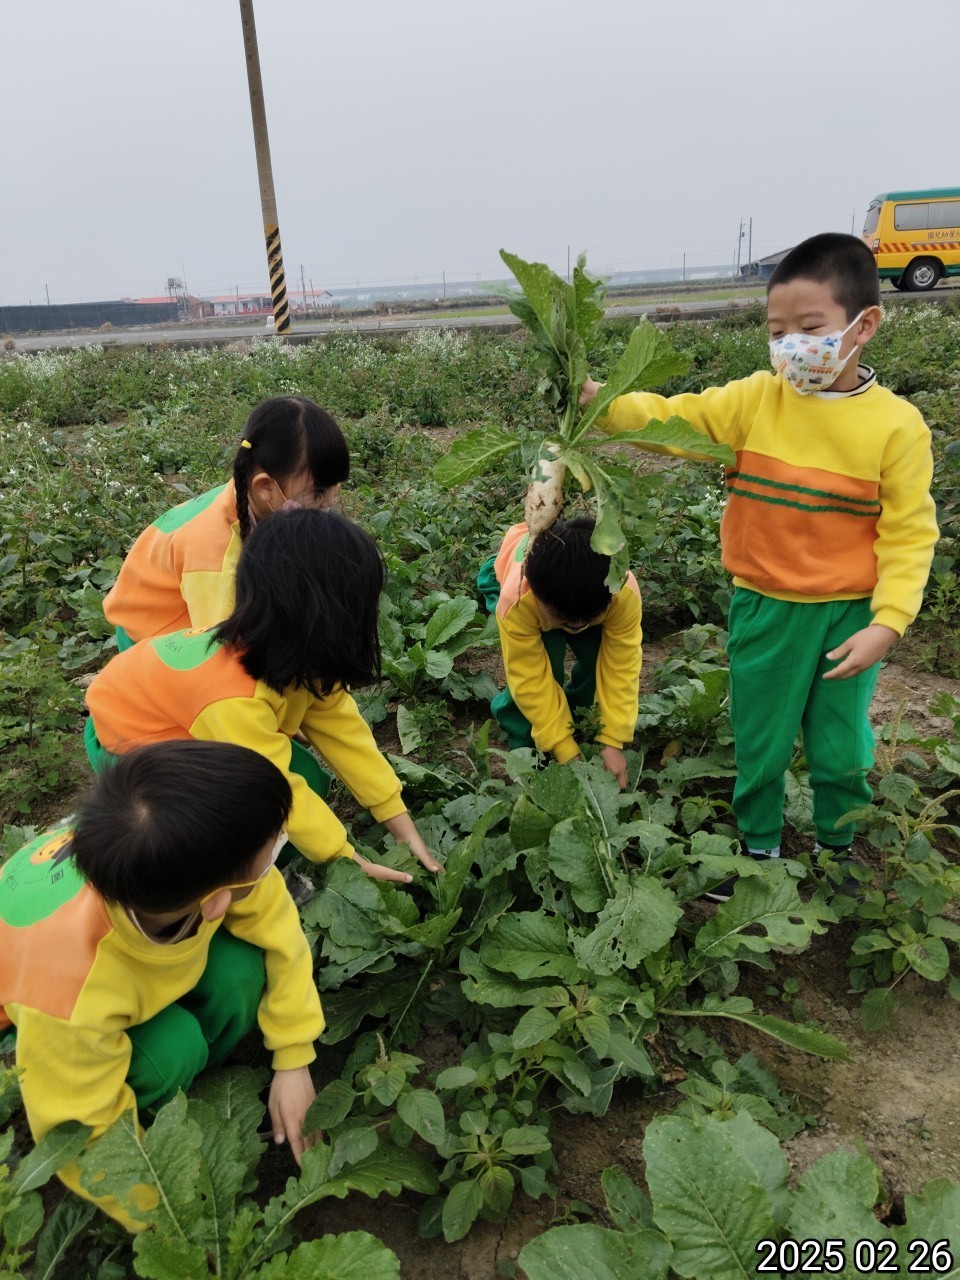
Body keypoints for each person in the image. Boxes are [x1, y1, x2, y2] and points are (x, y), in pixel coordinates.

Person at [580, 233, 938, 895]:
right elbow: (673, 419)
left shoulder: (897, 426)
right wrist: (600, 401)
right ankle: (760, 850)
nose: (792, 346)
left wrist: (888, 622)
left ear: (864, 325)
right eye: (777, 332)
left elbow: (909, 534)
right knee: (761, 739)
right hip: (765, 606)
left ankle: (838, 849)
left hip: (848, 616)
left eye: (810, 328)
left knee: (841, 747)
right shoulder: (755, 401)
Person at [0, 740, 324, 1231]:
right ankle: (159, 1108)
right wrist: (172, 1224)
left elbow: (280, 932)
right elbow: (85, 1129)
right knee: (171, 1048)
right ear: (215, 902)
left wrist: (294, 1058)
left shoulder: (187, 866)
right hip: (41, 1015)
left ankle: (198, 1077)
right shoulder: (68, 988)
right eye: (275, 846)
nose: (281, 843)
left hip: (138, 967)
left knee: (239, 972)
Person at [86, 507, 441, 884]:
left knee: (307, 777)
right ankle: (246, 879)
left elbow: (345, 734)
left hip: (176, 707)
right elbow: (279, 788)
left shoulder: (303, 654)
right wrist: (348, 863)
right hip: (131, 738)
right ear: (324, 619)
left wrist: (401, 826)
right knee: (229, 818)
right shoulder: (233, 698)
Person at [103, 396, 350, 650]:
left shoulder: (247, 496)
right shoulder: (216, 558)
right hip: (151, 639)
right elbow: (220, 650)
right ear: (265, 486)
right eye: (319, 493)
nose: (330, 502)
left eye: (336, 487)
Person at [477, 517, 643, 789]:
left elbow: (622, 667)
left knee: (597, 658)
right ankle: (526, 739)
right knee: (547, 663)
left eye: (584, 621)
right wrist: (565, 750)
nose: (575, 627)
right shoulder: (517, 600)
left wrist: (612, 740)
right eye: (565, 620)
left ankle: (581, 720)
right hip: (519, 587)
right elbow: (528, 678)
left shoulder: (621, 592)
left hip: (577, 602)